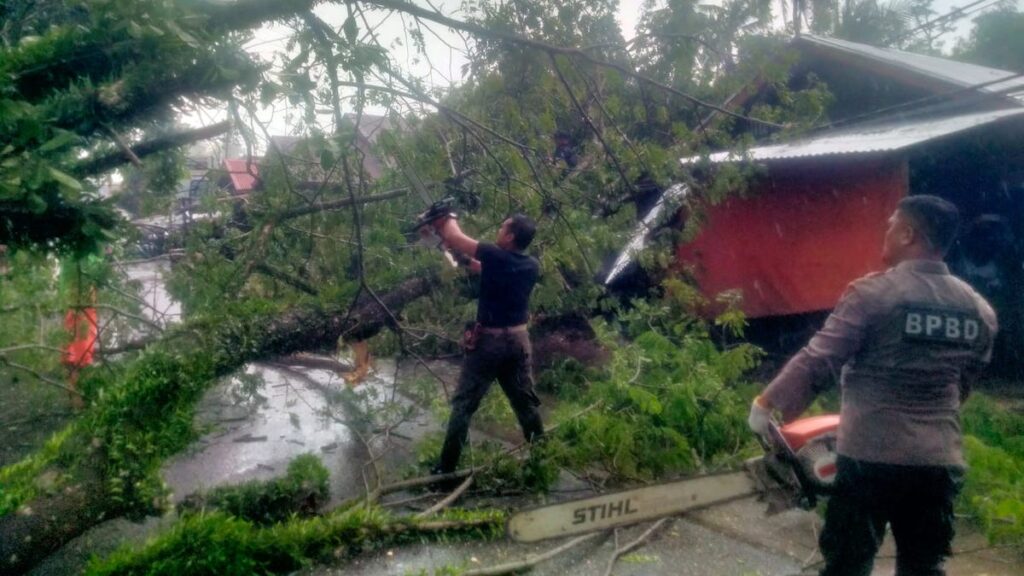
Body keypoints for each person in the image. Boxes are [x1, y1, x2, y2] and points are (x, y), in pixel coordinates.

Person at [748, 195, 997, 576]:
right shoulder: (979, 310)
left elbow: (820, 360)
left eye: (891, 225)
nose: (886, 232)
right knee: (924, 567)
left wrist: (767, 403)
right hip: (938, 463)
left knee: (848, 564)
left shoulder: (873, 295)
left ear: (908, 234)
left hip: (870, 459)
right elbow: (963, 385)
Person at [430, 213, 545, 477]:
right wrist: (460, 259)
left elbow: (456, 236)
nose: (499, 229)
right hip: (518, 342)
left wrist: (445, 216)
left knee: (463, 405)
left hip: (489, 344)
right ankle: (542, 457)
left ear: (510, 236)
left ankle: (445, 470)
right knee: (525, 402)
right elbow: (482, 267)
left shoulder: (494, 254)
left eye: (503, 226)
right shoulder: (530, 265)